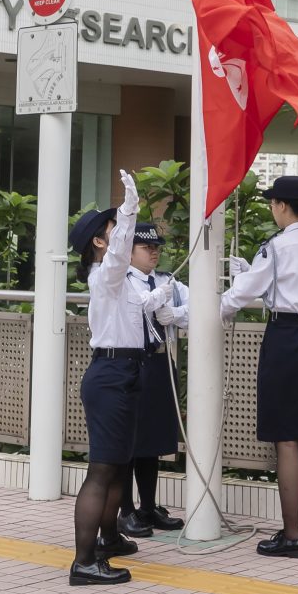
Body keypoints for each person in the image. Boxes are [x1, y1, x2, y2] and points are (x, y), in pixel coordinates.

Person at [66, 172, 176, 586]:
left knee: (116, 467)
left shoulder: (117, 280)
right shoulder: (107, 273)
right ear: (100, 242)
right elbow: (118, 257)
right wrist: (129, 208)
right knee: (102, 470)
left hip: (124, 371)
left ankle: (109, 539)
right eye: (114, 229)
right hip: (111, 374)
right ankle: (83, 561)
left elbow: (139, 306)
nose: (122, 235)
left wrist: (159, 297)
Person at [220, 174, 298, 559]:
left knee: (286, 437)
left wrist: (208, 310)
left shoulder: (276, 246)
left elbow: (243, 293)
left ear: (282, 205)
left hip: (285, 339)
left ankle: (291, 536)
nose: (272, 209)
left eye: (273, 203)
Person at [116, 221, 189, 538]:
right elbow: (131, 310)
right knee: (129, 440)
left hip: (160, 362)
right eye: (146, 247)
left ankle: (148, 506)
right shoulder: (121, 281)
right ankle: (125, 510)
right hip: (133, 362)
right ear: (130, 251)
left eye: (156, 247)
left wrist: (177, 313)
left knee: (153, 439)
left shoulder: (166, 280)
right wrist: (157, 299)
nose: (154, 252)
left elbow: (198, 306)